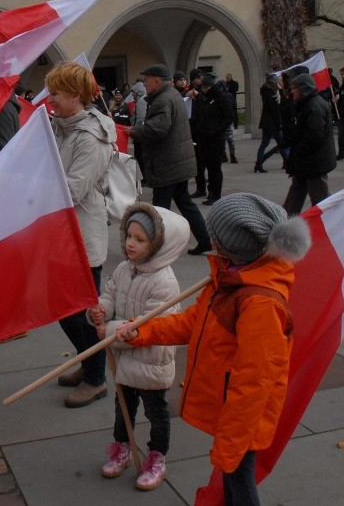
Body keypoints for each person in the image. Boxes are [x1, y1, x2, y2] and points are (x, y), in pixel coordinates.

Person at [117, 193, 311, 506]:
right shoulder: (228, 280)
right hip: (229, 413)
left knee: (239, 482)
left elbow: (255, 382)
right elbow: (191, 323)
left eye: (214, 237)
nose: (210, 242)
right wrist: (142, 330)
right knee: (233, 481)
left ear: (231, 246)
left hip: (241, 421)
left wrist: (232, 442)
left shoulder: (258, 301)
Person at [87, 203, 190, 490]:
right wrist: (101, 310)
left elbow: (144, 329)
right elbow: (111, 294)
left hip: (151, 361)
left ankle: (158, 456)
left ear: (160, 245)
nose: (130, 243)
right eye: (129, 236)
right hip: (124, 359)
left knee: (156, 412)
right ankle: (123, 445)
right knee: (123, 405)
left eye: (140, 239)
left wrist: (106, 330)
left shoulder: (164, 283)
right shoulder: (123, 268)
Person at [46, 61, 116, 408]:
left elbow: (71, 190)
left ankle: (96, 378)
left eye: (55, 93)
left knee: (84, 312)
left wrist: (33, 191)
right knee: (63, 307)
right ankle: (87, 360)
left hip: (82, 237)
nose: (51, 99)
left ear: (75, 95)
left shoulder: (90, 136)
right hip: (62, 234)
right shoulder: (62, 127)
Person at [129, 64, 213, 255]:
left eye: (146, 80)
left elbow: (157, 129)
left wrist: (134, 131)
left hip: (168, 164)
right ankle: (205, 238)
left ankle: (155, 248)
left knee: (159, 210)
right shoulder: (172, 94)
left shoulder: (162, 100)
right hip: (176, 161)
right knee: (184, 202)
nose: (145, 84)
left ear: (156, 81)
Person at [281, 73, 336, 216]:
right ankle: (285, 220)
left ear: (304, 89)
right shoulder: (306, 104)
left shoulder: (314, 106)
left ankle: (325, 222)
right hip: (306, 161)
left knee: (319, 198)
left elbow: (314, 136)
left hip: (314, 161)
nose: (292, 91)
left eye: (295, 88)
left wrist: (298, 151)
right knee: (297, 191)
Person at [197, 75, 234, 205]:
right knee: (208, 166)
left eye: (205, 88)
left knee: (214, 168)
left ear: (210, 87)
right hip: (205, 138)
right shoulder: (206, 99)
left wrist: (216, 131)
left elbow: (229, 117)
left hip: (215, 139)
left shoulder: (221, 98)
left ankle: (215, 195)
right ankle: (210, 192)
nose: (203, 90)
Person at [255, 72, 289, 173]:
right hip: (272, 123)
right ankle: (288, 162)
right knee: (281, 143)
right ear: (273, 81)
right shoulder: (270, 92)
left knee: (265, 143)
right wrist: (279, 123)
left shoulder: (272, 90)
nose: (278, 80)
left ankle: (259, 164)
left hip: (268, 122)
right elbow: (274, 110)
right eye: (277, 79)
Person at [186, 68, 208, 198]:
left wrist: (198, 96)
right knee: (197, 162)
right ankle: (200, 187)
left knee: (202, 161)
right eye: (198, 77)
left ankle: (204, 187)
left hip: (202, 130)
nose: (201, 79)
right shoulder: (188, 91)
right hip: (193, 129)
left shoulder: (203, 92)